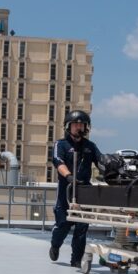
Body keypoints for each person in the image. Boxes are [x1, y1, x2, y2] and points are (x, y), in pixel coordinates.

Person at [49, 110, 102, 266]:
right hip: (66, 189)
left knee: (82, 227)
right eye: (75, 124)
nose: (79, 127)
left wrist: (110, 172)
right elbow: (58, 161)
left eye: (82, 125)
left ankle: (77, 260)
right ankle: (55, 245)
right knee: (63, 225)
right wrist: (69, 176)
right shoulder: (61, 144)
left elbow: (101, 162)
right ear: (68, 126)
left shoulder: (90, 146)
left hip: (84, 191)